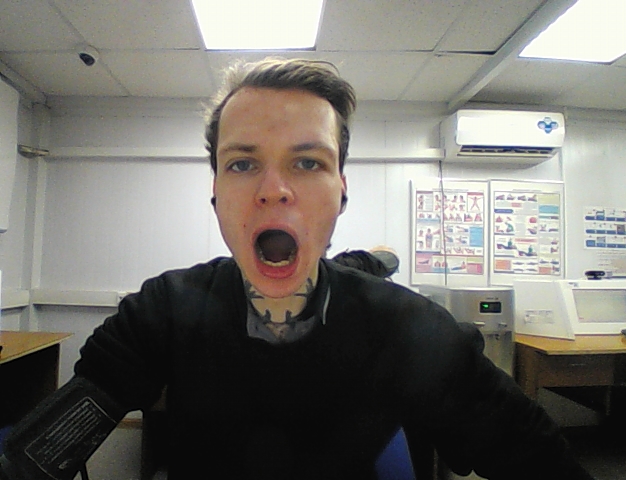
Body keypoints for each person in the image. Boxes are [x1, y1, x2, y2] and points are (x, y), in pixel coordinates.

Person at [0, 58, 594, 480]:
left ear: (342, 192)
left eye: (307, 163)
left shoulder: (407, 328)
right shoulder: (162, 310)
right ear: (215, 194)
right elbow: (35, 454)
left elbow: (534, 455)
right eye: (242, 164)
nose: (274, 189)